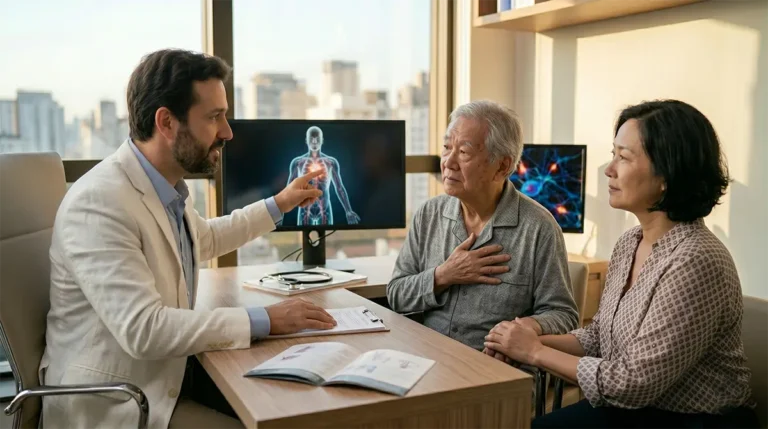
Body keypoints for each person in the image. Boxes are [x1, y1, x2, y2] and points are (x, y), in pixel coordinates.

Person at [39, 49, 338, 429]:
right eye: (215, 117)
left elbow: (205, 238)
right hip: (119, 402)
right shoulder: (99, 203)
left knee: (290, 409)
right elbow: (144, 330)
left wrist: (281, 203)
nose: (228, 132)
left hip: (166, 378)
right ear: (166, 122)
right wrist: (265, 319)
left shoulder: (166, 187)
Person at [483, 99, 760, 429]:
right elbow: (600, 338)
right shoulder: (630, 243)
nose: (608, 169)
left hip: (696, 421)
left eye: (623, 157)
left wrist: (534, 353)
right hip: (638, 409)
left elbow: (633, 383)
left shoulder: (696, 260)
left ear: (667, 176)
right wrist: (522, 340)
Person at [386, 100, 579, 353]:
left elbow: (563, 315)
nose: (448, 162)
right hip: (428, 358)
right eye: (446, 148)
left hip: (495, 369)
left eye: (464, 152)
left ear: (502, 166)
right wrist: (442, 276)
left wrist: (520, 331)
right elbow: (396, 294)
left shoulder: (538, 228)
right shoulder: (428, 214)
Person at [286, 125, 360, 226]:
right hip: (305, 209)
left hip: (324, 208)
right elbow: (288, 190)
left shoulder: (331, 162)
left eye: (317, 139)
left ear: (322, 140)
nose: (315, 142)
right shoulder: (298, 162)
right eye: (312, 139)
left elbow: (339, 188)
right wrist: (280, 215)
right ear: (306, 140)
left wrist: (348, 210)